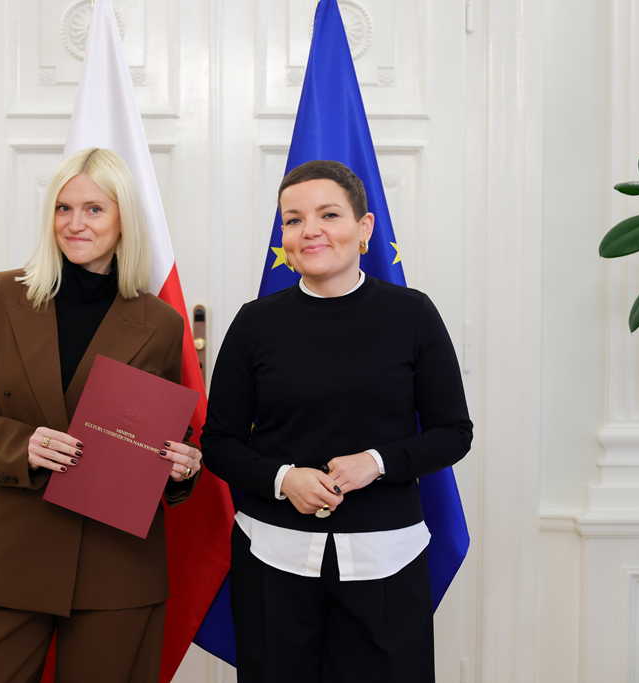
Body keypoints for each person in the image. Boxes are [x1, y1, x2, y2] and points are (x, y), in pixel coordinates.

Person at [0, 147, 203, 683]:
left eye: (94, 209)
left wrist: (183, 464)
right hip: (10, 555)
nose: (75, 223)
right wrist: (20, 447)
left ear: (124, 218)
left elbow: (171, 432)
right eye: (63, 208)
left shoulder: (162, 322)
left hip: (117, 566)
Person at [201, 159, 472, 683]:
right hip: (273, 555)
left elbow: (453, 433)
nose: (310, 230)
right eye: (294, 219)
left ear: (364, 227)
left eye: (328, 214)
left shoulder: (413, 314)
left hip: (386, 558)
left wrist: (377, 462)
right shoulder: (255, 323)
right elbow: (219, 442)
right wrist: (284, 479)